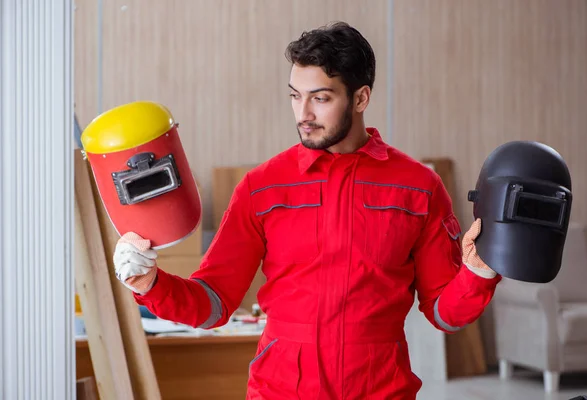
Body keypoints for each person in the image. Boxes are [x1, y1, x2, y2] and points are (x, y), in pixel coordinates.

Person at [113, 21, 502, 400]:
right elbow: (213, 302)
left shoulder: (417, 187)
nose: (303, 114)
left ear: (361, 98)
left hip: (380, 389)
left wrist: (478, 270)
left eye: (320, 98)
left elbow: (444, 314)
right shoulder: (262, 187)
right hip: (281, 389)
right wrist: (151, 284)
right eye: (294, 96)